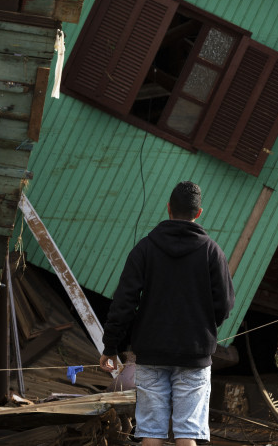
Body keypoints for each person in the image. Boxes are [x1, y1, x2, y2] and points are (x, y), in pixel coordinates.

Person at [99, 181, 235, 446]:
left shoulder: (145, 248)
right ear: (198, 213)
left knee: (151, 434)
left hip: (150, 354)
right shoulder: (212, 252)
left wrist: (110, 347)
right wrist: (203, 330)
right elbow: (225, 305)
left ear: (169, 208)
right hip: (194, 356)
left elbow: (124, 302)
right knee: (188, 434)